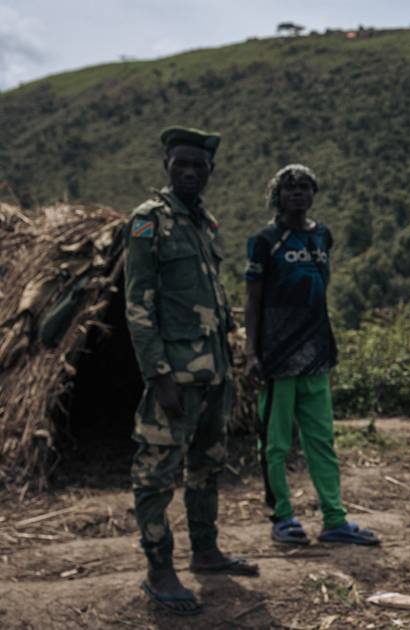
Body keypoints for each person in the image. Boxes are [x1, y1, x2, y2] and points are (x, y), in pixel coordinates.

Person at [125, 126, 258, 616]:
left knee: (207, 465)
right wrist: (158, 374)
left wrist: (230, 365)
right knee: (157, 471)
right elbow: (137, 306)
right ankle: (159, 569)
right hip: (175, 373)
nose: (188, 172)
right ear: (166, 163)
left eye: (198, 165)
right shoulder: (147, 221)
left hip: (215, 372)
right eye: (180, 163)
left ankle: (206, 552)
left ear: (210, 171)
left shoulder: (205, 223)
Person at [244, 164, 380, 547]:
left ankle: (334, 519)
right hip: (276, 358)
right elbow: (253, 297)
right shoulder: (265, 240)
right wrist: (251, 351)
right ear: (277, 195)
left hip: (317, 355)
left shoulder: (322, 236)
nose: (298, 194)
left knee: (321, 440)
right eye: (290, 188)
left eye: (304, 187)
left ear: (314, 193)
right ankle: (282, 517)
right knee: (275, 443)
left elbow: (322, 286)